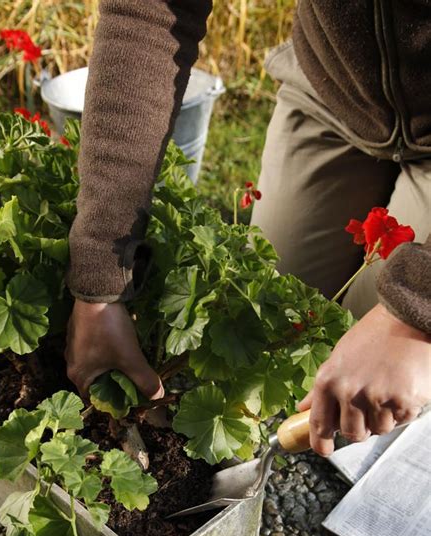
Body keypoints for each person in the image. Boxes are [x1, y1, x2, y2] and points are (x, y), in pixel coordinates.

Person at [64, 0, 431, 456]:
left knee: (376, 341)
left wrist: (414, 315)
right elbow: (151, 13)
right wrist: (99, 281)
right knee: (283, 310)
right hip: (336, 89)